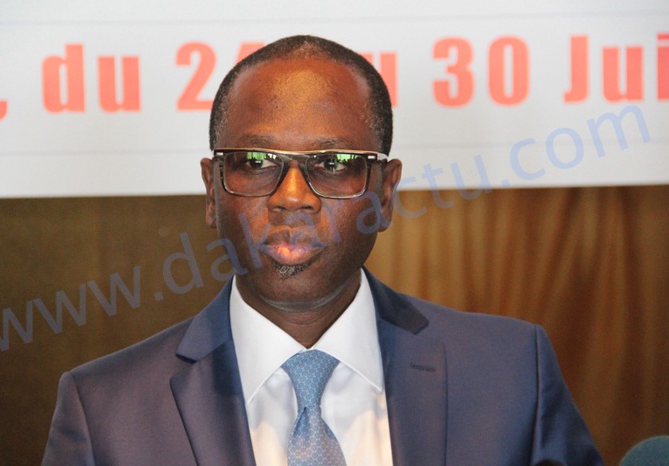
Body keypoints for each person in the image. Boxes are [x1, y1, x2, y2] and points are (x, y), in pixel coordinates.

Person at [43, 35, 603, 465]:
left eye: (334, 165)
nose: (292, 197)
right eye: (255, 162)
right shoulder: (104, 411)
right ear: (212, 191)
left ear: (385, 194)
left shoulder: (511, 375)